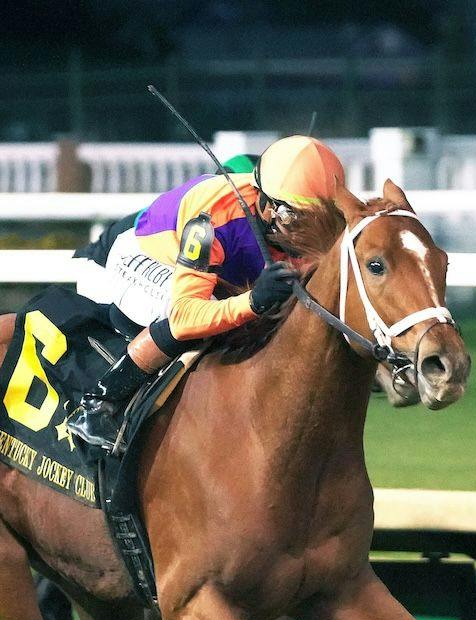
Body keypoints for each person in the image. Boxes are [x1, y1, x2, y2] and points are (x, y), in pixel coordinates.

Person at [67, 135, 344, 452]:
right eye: (295, 217)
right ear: (266, 203)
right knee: (207, 315)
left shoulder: (299, 217)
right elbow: (186, 315)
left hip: (210, 269)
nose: (308, 232)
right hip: (146, 257)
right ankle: (98, 404)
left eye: (320, 219)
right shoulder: (210, 219)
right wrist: (254, 301)